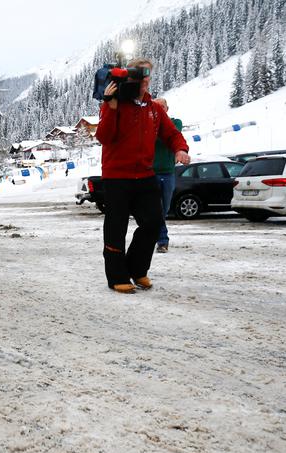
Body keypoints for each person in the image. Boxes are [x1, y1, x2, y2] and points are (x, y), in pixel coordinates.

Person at [95, 58, 190, 294]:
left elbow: (171, 134)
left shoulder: (154, 109)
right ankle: (117, 276)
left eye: (148, 78)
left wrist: (180, 148)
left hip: (145, 174)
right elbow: (104, 137)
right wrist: (109, 105)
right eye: (141, 78)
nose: (145, 82)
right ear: (130, 79)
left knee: (153, 222)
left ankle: (137, 270)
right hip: (117, 176)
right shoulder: (115, 103)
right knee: (116, 227)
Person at [152, 98, 183, 253]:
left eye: (162, 106)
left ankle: (153, 235)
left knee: (164, 209)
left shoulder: (175, 122)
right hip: (151, 174)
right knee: (156, 209)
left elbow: (171, 137)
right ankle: (162, 241)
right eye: (157, 106)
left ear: (167, 108)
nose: (160, 109)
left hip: (168, 173)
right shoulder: (148, 123)